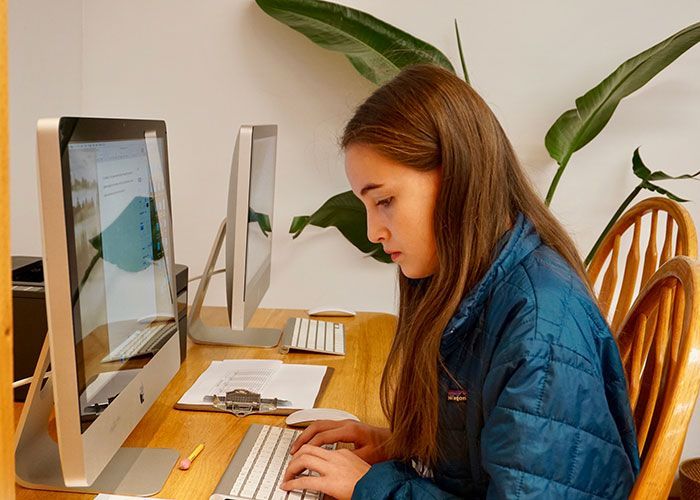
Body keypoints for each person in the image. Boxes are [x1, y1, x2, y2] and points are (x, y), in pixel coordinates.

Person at [280, 64, 640, 499]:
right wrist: (398, 444)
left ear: (457, 177)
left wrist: (374, 488)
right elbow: (492, 447)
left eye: (386, 201)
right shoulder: (480, 281)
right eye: (368, 207)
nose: (374, 231)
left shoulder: (539, 330)